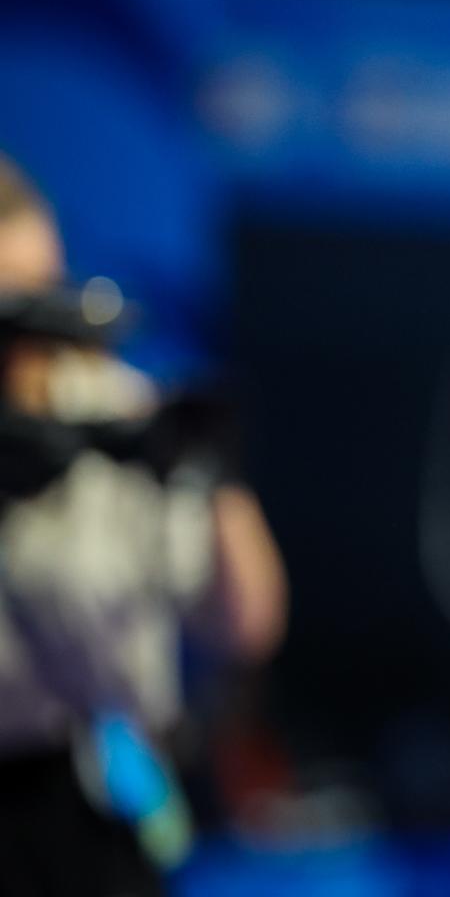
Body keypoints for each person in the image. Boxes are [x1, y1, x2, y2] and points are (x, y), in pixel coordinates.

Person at [0, 155, 287, 896]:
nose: (34, 333)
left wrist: (211, 474)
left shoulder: (117, 410)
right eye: (10, 309)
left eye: (44, 296)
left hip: (92, 799)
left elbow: (247, 625)